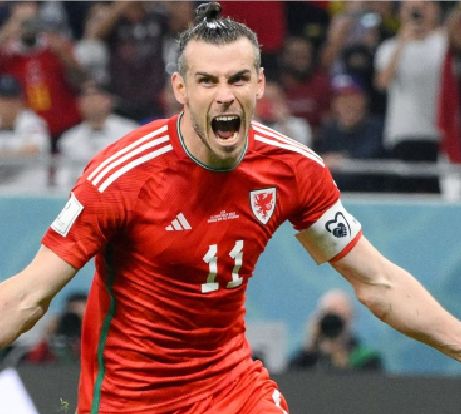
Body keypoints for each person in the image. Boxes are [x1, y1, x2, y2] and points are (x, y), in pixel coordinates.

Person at [1, 2, 461, 413]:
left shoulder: (292, 169)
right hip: (131, 399)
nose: (225, 94)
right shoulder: (121, 176)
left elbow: (379, 284)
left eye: (238, 78)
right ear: (181, 89)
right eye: (207, 81)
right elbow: (28, 297)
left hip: (232, 388)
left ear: (259, 84)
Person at [375, 0, 445, 193]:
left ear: (435, 10)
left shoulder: (443, 44)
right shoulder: (389, 48)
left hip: (437, 134)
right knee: (403, 194)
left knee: (435, 196)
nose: (418, 13)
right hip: (403, 133)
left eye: (423, 7)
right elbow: (382, 83)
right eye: (412, 9)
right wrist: (403, 41)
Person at [58, 79, 138, 189]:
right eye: (86, 96)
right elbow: (62, 182)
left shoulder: (130, 132)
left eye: (95, 95)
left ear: (109, 100)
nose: (91, 101)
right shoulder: (69, 140)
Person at [314, 74, 386, 192]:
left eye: (351, 97)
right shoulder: (329, 131)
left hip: (372, 195)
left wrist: (341, 160)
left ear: (363, 100)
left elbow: (368, 158)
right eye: (341, 99)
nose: (347, 104)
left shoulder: (376, 129)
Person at [289, 289, 383, 371]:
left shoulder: (367, 360)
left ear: (351, 320)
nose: (332, 324)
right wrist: (309, 347)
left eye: (338, 319)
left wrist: (343, 363)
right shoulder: (306, 360)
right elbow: (288, 380)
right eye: (328, 317)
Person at [0, 73, 50, 193]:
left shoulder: (34, 122)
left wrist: (5, 154)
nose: (8, 105)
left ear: (21, 101)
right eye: (4, 99)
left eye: (12, 99)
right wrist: (17, 150)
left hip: (30, 192)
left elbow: (33, 150)